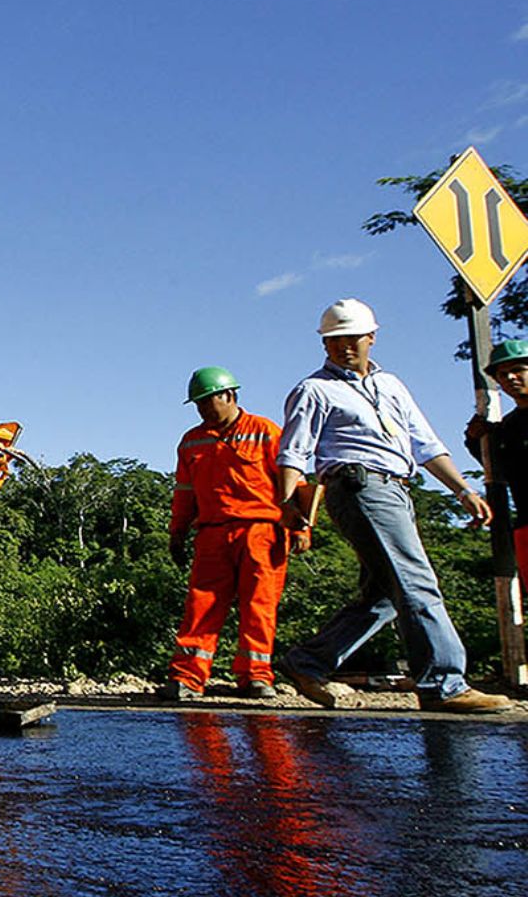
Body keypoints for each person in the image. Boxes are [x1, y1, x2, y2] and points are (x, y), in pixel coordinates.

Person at [274, 299, 511, 713]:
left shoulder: (393, 386)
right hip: (358, 487)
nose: (345, 346)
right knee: (417, 582)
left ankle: (308, 661)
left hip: (398, 488)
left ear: (372, 337)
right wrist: (288, 505)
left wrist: (463, 491)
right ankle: (443, 683)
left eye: (353, 338)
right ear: (324, 343)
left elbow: (426, 444)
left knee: (385, 595)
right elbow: (294, 453)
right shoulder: (314, 389)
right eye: (335, 340)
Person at [163, 367, 286, 701]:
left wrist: (300, 526)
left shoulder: (265, 432)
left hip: (261, 531)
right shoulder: (192, 441)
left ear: (230, 396)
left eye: (208, 401)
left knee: (259, 607)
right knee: (201, 606)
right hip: (212, 534)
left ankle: (256, 677)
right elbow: (184, 492)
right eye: (198, 404)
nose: (203, 409)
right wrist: (177, 532)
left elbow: (292, 482)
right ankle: (188, 677)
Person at [465, 338, 528, 581]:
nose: (510, 378)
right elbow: (497, 466)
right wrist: (476, 438)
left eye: (518, 370)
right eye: (503, 374)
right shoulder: (506, 430)